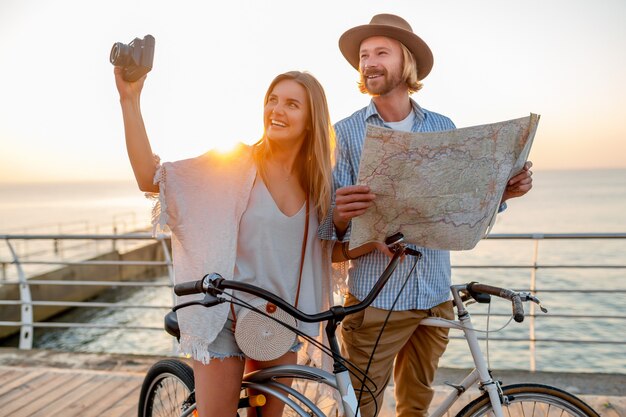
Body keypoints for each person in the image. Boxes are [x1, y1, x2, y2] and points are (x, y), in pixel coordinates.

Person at [319, 14, 534, 417]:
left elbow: (461, 206)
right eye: (364, 55)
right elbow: (328, 231)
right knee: (358, 408)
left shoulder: (442, 126)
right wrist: (341, 216)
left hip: (435, 296)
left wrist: (502, 192)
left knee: (416, 406)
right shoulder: (344, 133)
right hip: (376, 299)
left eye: (381, 52)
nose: (369, 62)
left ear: (407, 62)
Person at [113, 67, 335, 417]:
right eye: (272, 100)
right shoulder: (234, 165)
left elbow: (327, 254)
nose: (276, 110)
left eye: (292, 104)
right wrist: (130, 98)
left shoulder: (320, 184)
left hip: (278, 320)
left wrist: (377, 243)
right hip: (224, 317)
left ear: (311, 120)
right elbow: (149, 178)